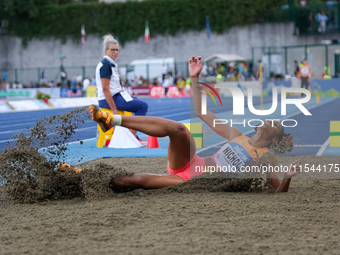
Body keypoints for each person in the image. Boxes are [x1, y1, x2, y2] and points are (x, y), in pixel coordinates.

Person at [84, 56, 301, 192]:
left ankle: (83, 179)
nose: (272, 121)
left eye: (277, 125)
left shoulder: (267, 157)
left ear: (274, 138)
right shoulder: (236, 134)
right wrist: (195, 79)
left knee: (137, 180)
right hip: (189, 161)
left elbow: (277, 192)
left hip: (195, 182)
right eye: (272, 119)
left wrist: (288, 178)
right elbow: (201, 111)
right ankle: (112, 120)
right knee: (179, 129)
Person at [95, 34, 148, 145]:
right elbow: (105, 89)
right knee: (143, 106)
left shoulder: (111, 64)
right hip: (109, 98)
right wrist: (114, 109)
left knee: (137, 101)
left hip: (117, 95)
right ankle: (132, 138)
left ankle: (133, 136)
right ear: (106, 50)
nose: (115, 52)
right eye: (112, 50)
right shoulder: (106, 65)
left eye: (117, 50)